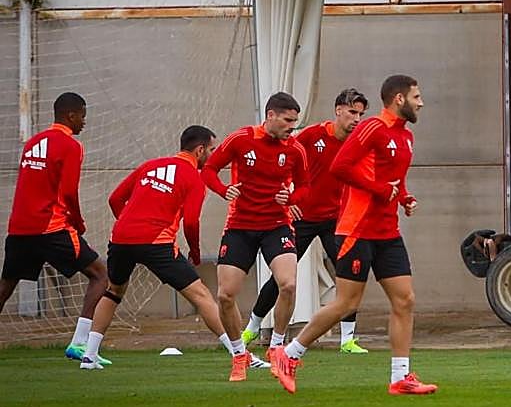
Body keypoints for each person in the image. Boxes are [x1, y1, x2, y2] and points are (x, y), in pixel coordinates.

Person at [274, 75, 437, 396]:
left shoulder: (406, 136)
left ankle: (400, 378)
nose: (421, 103)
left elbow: (395, 178)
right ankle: (288, 354)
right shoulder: (372, 127)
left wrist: (404, 198)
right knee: (347, 302)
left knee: (405, 300)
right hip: (357, 229)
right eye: (416, 97)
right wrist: (379, 189)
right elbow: (340, 166)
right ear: (399, 99)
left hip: (387, 231)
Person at [80, 126, 242, 370]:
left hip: (120, 238)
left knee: (113, 292)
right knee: (201, 295)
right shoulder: (194, 178)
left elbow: (115, 199)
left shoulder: (150, 165)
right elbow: (191, 222)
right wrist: (195, 252)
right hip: (156, 242)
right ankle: (239, 354)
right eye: (212, 149)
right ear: (200, 150)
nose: (213, 154)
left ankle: (89, 356)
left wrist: (129, 226)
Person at [242, 88, 370, 354]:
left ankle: (347, 339)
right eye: (352, 112)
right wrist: (290, 200)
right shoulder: (312, 136)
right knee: (282, 279)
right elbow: (286, 162)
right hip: (303, 217)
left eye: (360, 114)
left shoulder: (358, 142)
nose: (357, 119)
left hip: (336, 220)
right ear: (338, 111)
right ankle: (251, 327)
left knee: (349, 274)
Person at [202, 92, 310, 382]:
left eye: (295, 121)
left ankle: (277, 348)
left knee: (288, 284)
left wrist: (291, 198)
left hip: (277, 225)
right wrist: (223, 190)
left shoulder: (295, 149)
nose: (292, 127)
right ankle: (239, 354)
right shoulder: (241, 139)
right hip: (240, 227)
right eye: (287, 120)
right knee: (225, 295)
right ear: (270, 115)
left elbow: (305, 187)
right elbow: (209, 169)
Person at [1, 92, 111, 364]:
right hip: (51, 229)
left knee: (6, 286)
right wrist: (78, 222)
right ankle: (79, 342)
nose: (84, 121)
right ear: (70, 115)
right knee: (100, 275)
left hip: (19, 228)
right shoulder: (71, 145)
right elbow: (69, 191)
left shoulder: (32, 143)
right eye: (82, 115)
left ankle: (80, 343)